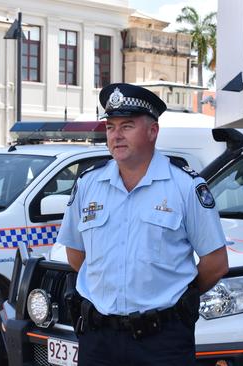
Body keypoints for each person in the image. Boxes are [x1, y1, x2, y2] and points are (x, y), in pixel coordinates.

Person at [56, 83, 229, 366]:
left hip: (161, 340)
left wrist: (175, 293)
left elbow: (216, 262)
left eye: (127, 126)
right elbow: (76, 254)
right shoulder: (88, 184)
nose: (116, 135)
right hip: (98, 339)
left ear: (152, 132)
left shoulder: (185, 186)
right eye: (111, 127)